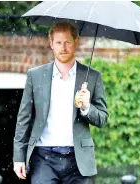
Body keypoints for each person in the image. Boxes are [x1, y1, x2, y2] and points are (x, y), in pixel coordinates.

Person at [13, 21, 108, 184]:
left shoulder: (92, 77)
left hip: (78, 160)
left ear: (76, 42)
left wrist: (86, 107)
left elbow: (102, 118)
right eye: (58, 42)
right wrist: (19, 158)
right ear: (51, 44)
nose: (63, 47)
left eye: (67, 42)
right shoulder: (35, 76)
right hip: (44, 159)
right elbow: (24, 119)